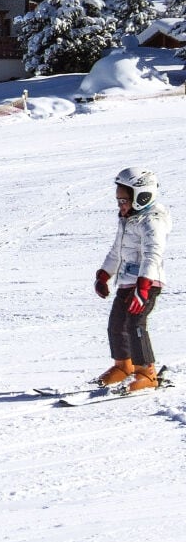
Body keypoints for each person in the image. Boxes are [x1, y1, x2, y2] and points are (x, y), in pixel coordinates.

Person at [93, 167, 171, 392]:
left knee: (135, 324)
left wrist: (144, 286)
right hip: (128, 281)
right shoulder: (128, 220)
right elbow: (116, 251)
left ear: (142, 196)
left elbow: (153, 254)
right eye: (118, 200)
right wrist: (104, 275)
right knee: (116, 324)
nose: (121, 205)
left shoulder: (152, 221)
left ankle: (146, 372)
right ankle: (123, 367)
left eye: (124, 200)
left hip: (147, 283)